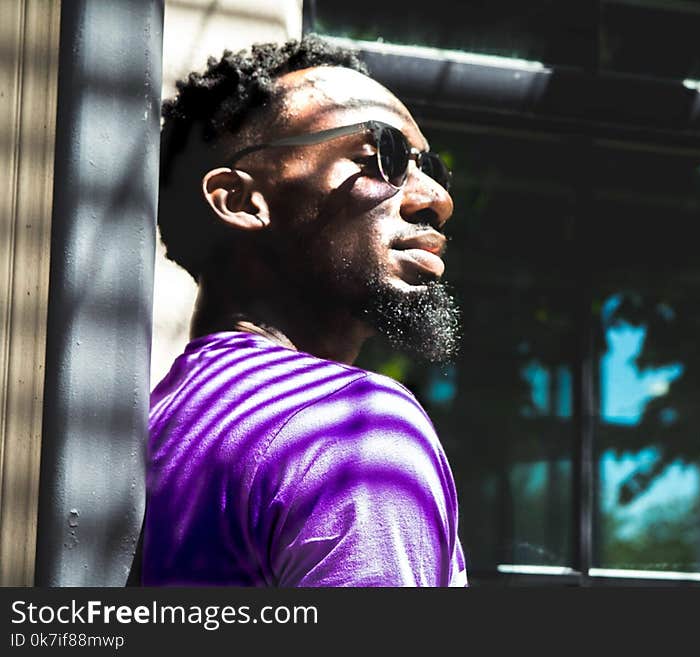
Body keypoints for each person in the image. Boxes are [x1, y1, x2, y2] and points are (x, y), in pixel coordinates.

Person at [144, 35, 467, 586]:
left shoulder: (159, 424)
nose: (436, 197)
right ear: (243, 201)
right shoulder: (352, 424)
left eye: (430, 166)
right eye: (381, 157)